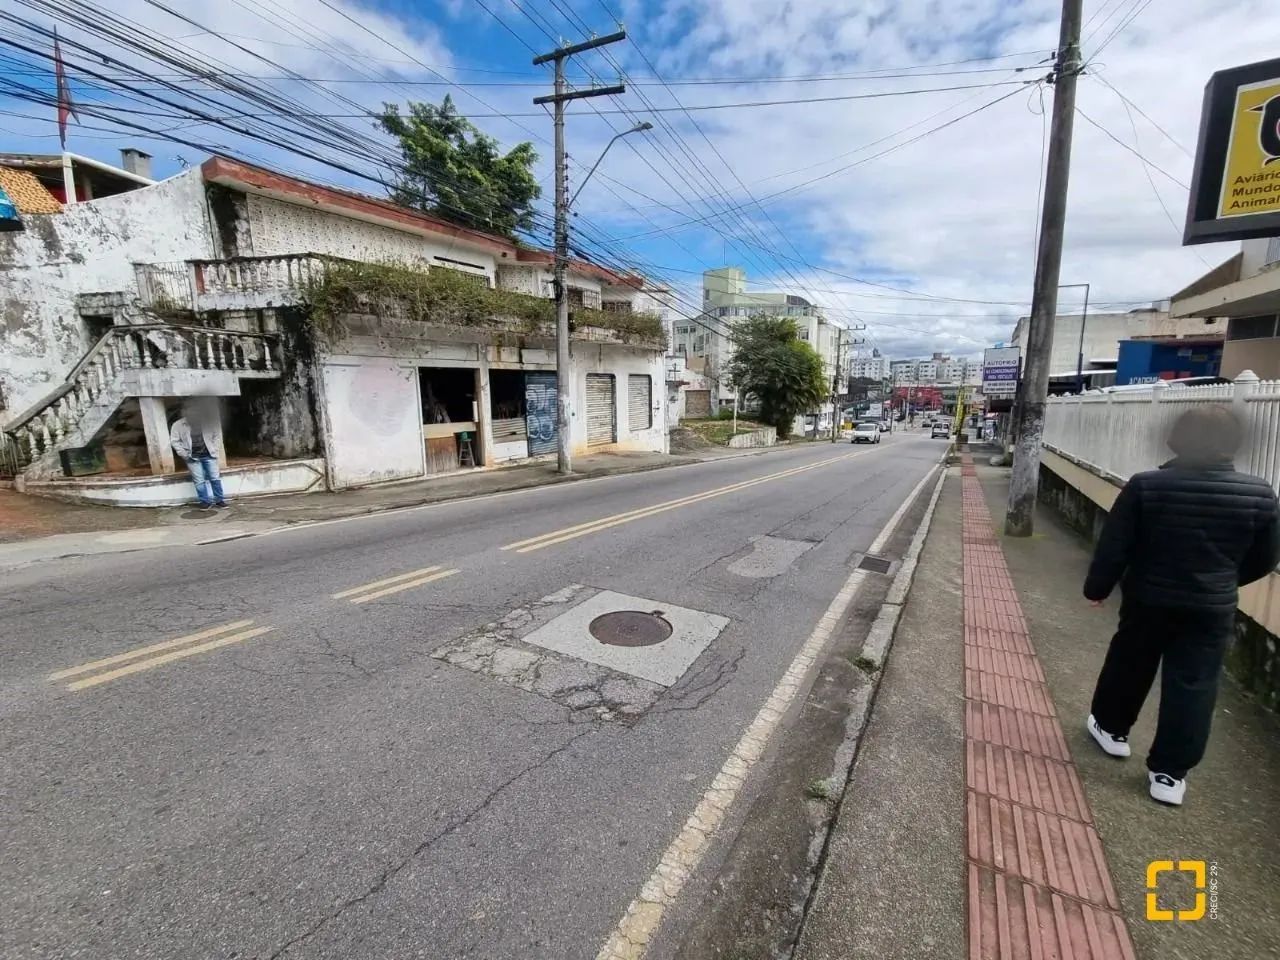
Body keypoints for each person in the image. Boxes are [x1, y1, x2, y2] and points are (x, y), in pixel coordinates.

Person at [1083, 405, 1279, 806]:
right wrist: (1223, 582)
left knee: (1130, 664)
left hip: (1149, 598)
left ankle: (1112, 730)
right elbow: (1265, 558)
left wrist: (1097, 589)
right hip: (1211, 607)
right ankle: (1169, 775)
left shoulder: (1146, 486)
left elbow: (1115, 546)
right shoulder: (1259, 495)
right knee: (1195, 684)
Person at [170, 403, 228, 509]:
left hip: (209, 454)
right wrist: (184, 454)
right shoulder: (177, 425)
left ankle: (219, 500)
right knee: (199, 480)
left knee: (215, 478)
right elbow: (175, 441)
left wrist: (214, 449)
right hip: (192, 457)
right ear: (185, 412)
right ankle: (205, 502)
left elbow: (217, 435)